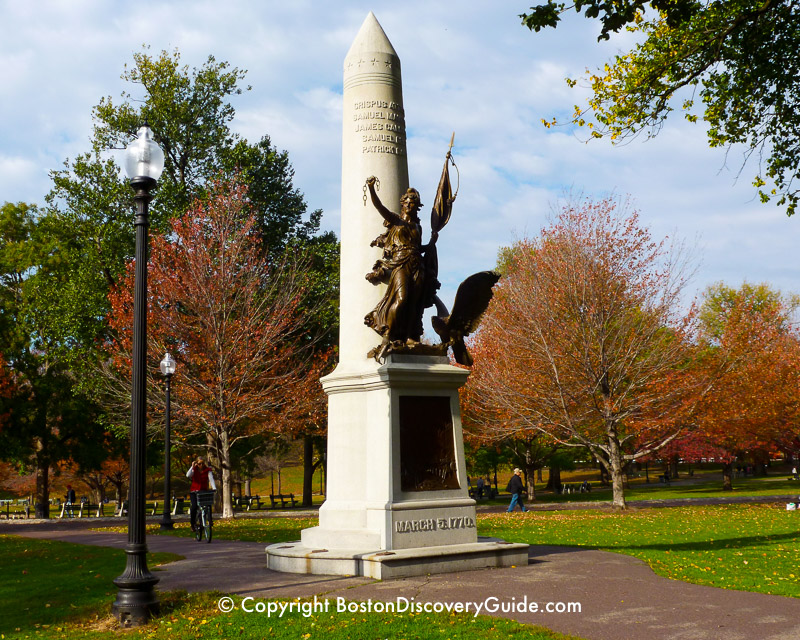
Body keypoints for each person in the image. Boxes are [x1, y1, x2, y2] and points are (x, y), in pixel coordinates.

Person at [363, 177, 437, 355]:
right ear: (402, 204)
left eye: (414, 203)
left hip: (417, 264)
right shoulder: (396, 221)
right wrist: (371, 189)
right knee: (402, 299)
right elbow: (379, 206)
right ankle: (388, 334)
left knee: (415, 303)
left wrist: (432, 242)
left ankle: (411, 336)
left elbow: (419, 248)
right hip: (400, 263)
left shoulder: (417, 226)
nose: (411, 206)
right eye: (408, 203)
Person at [186, 458, 216, 531]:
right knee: (194, 507)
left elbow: (211, 479)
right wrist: (192, 466)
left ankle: (209, 520)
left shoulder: (207, 470)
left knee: (208, 505)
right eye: (199, 464)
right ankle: (192, 524)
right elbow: (188, 475)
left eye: (202, 463)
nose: (201, 465)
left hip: (203, 491)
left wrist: (214, 488)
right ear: (197, 464)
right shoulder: (194, 469)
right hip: (194, 491)